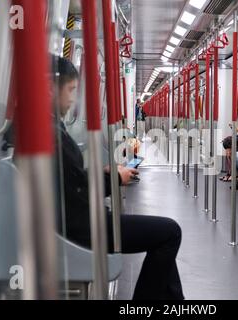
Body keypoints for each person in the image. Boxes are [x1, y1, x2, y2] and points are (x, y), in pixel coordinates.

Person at [55, 57, 184, 299]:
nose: (73, 98)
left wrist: (104, 172)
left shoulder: (52, 128)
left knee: (164, 235)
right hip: (84, 226)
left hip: (80, 217)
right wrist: (115, 178)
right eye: (70, 90)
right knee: (170, 232)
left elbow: (69, 181)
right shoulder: (50, 133)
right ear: (53, 87)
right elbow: (75, 190)